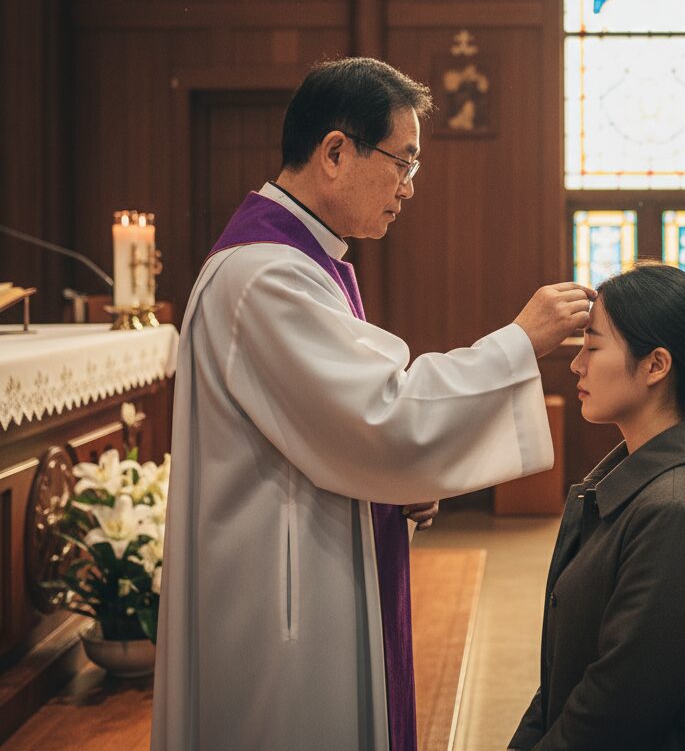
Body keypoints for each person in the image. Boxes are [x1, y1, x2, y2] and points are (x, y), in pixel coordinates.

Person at [152, 58, 595, 751]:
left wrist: (394, 488)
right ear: (335, 153)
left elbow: (343, 426)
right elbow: (382, 415)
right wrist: (519, 342)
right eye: (403, 162)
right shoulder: (264, 276)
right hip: (281, 606)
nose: (409, 188)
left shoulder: (303, 263)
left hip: (302, 566)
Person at [509, 264, 685, 751]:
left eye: (593, 346)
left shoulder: (673, 511)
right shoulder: (637, 476)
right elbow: (571, 675)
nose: (577, 365)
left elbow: (617, 711)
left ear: (655, 365)